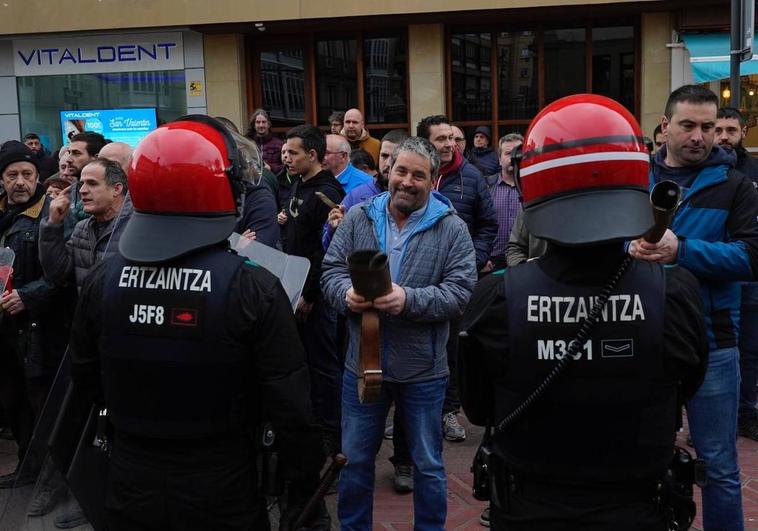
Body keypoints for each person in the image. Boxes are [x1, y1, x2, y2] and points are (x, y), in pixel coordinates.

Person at [461, 93, 709, 530]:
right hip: (637, 507)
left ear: (531, 185)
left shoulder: (495, 299)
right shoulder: (675, 292)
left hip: (527, 507)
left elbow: (479, 408)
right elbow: (685, 386)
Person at [67, 115, 325, 530]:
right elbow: (291, 407)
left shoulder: (103, 280)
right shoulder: (252, 286)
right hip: (224, 486)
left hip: (130, 480)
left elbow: (85, 380)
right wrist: (305, 491)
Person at [321, 136, 476, 530]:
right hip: (362, 365)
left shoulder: (452, 229)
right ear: (388, 172)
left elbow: (460, 294)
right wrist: (346, 294)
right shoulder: (358, 217)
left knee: (427, 465)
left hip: (423, 370)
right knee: (355, 463)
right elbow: (330, 272)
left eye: (418, 175)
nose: (407, 181)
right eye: (401, 171)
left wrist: (408, 299)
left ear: (433, 181)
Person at [629, 85, 758, 530]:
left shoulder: (737, 186)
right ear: (665, 127)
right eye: (688, 125)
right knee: (640, 458)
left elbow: (750, 258)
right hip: (640, 337)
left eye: (708, 126)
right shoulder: (631, 178)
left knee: (719, 466)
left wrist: (681, 249)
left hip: (712, 342)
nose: (700, 136)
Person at [416, 114, 497, 442]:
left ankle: (448, 412)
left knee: (452, 349)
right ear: (425, 143)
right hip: (417, 279)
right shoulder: (414, 175)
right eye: (440, 139)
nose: (449, 144)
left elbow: (488, 224)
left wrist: (473, 262)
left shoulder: (472, 177)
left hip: (457, 283)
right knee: (419, 345)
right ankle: (416, 413)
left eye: (451, 138)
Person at [0, 141, 70, 488]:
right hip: (5, 328)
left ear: (37, 176)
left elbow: (62, 274)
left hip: (39, 327)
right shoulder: (2, 214)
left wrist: (28, 297)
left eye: (27, 174)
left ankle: (55, 475)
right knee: (13, 398)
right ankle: (28, 467)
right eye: (12, 175)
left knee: (42, 401)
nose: (20, 182)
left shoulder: (51, 215)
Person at [278, 125, 345, 454]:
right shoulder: (296, 185)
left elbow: (327, 250)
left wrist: (311, 294)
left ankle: (332, 438)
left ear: (313, 155)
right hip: (291, 287)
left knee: (323, 366)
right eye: (286, 152)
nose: (286, 158)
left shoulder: (327, 193)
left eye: (293, 153)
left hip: (314, 297)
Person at [714, 107, 758, 441]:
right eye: (719, 130)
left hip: (750, 276)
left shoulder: (754, 171)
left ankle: (746, 413)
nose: (725, 137)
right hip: (715, 273)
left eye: (731, 130)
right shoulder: (706, 171)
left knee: (750, 350)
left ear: (743, 131)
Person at [39, 158, 131, 289]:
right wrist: (53, 224)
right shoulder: (81, 228)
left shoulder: (136, 227)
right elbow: (57, 274)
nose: (82, 190)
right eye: (81, 184)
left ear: (116, 189)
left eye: (92, 183)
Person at [484, 133, 523, 271]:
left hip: (524, 262)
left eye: (517, 152)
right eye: (507, 153)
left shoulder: (533, 188)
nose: (513, 157)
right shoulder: (486, 187)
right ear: (499, 159)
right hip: (492, 263)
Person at [246, 108, 284, 174]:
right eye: (258, 122)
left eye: (264, 122)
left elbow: (286, 167)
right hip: (253, 182)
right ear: (254, 125)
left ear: (269, 124)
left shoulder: (279, 144)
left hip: (273, 181)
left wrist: (271, 168)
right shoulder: (247, 143)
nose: (261, 125)